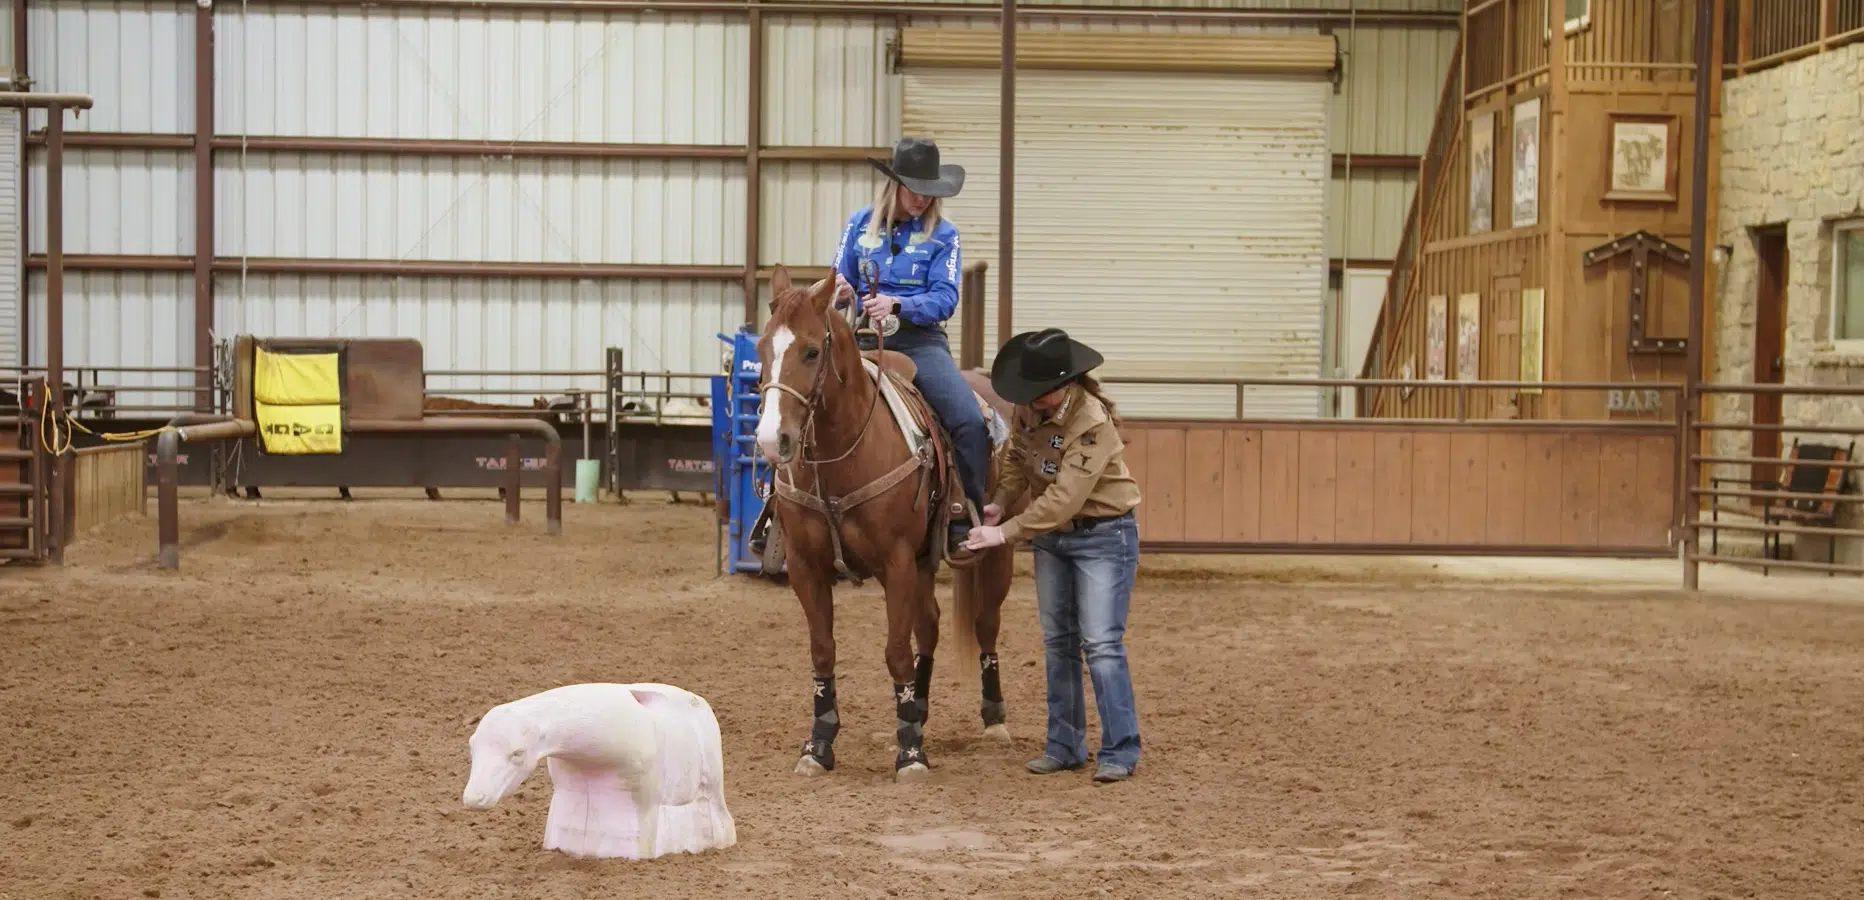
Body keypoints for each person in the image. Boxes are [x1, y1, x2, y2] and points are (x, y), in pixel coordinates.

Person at [961, 328, 1144, 783]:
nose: (1028, 403)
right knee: (1058, 643)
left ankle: (1120, 749)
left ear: (1061, 387)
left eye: (1035, 395)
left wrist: (1001, 533)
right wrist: (1000, 501)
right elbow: (1016, 460)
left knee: (1101, 645)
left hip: (1103, 536)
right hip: (1053, 540)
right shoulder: (1030, 408)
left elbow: (1064, 498)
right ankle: (1064, 745)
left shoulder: (1091, 423)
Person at [826, 136, 990, 563]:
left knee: (970, 421)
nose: (921, 198)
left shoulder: (944, 236)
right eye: (914, 188)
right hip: (860, 339)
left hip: (920, 342)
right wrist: (840, 291)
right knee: (803, 405)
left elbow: (945, 298)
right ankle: (785, 510)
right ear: (894, 185)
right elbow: (838, 280)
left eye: (928, 191)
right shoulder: (858, 224)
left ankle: (962, 515)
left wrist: (899, 304)